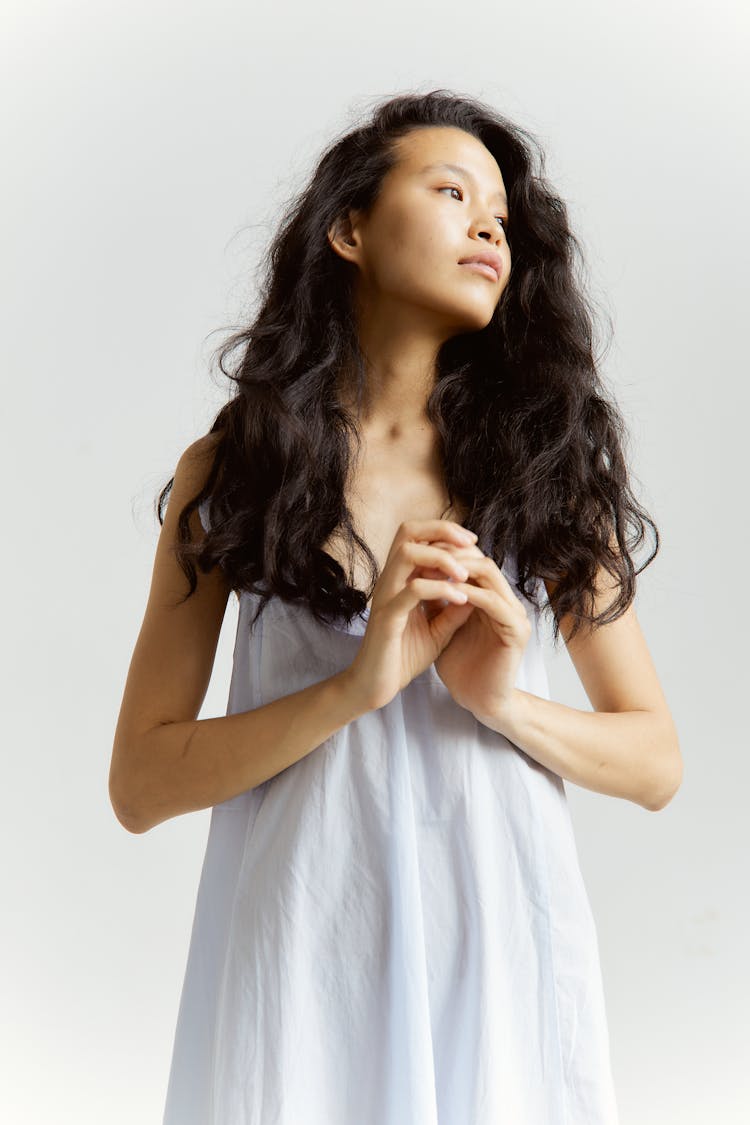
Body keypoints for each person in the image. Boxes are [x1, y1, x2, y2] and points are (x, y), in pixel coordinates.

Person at [109, 89, 682, 1124]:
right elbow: (141, 783)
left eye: (500, 216)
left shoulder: (547, 473)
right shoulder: (235, 469)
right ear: (350, 229)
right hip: (299, 961)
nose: (487, 227)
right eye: (452, 191)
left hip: (501, 952)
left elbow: (654, 764)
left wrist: (501, 702)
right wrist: (359, 685)